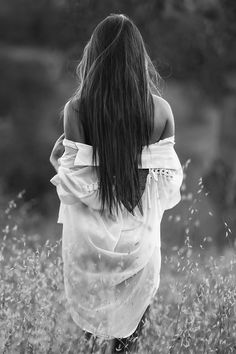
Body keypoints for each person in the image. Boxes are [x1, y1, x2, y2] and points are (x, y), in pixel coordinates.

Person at [50, 14, 183, 353]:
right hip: (139, 246)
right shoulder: (162, 111)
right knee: (130, 344)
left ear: (94, 56)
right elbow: (166, 191)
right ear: (140, 59)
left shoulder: (77, 109)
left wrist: (58, 165)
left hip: (91, 246)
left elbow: (78, 188)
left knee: (92, 342)